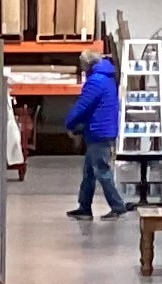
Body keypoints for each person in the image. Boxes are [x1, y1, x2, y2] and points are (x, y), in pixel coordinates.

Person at [64, 46, 129, 219]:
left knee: (101, 171)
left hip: (99, 132)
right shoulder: (106, 77)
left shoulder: (96, 81)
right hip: (101, 130)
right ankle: (84, 207)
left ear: (87, 64)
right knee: (89, 173)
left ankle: (118, 205)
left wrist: (69, 123)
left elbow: (83, 106)